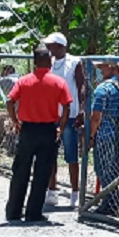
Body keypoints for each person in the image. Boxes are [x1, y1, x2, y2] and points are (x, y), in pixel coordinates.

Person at [5, 45, 72, 222]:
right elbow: (67, 106)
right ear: (49, 62)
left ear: (34, 63)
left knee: (20, 171)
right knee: (42, 173)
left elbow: (10, 101)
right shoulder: (58, 82)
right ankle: (33, 212)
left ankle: (13, 211)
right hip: (48, 130)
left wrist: (15, 121)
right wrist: (62, 127)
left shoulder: (24, 81)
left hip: (27, 129)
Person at [43, 32, 85, 208]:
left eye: (51, 45)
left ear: (60, 46)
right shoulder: (48, 63)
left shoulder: (74, 62)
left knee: (71, 155)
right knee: (50, 155)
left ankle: (75, 192)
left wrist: (82, 109)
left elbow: (82, 87)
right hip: (51, 115)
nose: (48, 48)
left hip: (70, 115)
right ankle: (52, 191)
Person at [89, 61, 119, 215]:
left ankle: (109, 203)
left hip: (104, 133)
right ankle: (112, 201)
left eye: (102, 67)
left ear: (110, 67)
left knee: (103, 169)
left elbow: (96, 116)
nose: (99, 70)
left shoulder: (102, 89)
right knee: (113, 169)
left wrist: (91, 135)